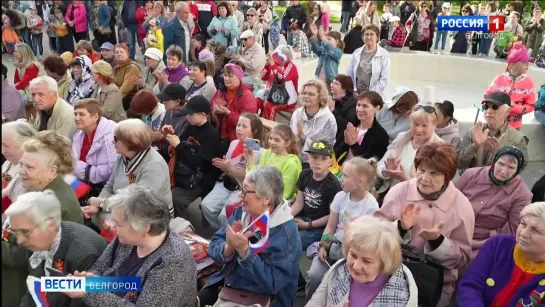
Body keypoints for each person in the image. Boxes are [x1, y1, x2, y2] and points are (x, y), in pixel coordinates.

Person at [376, 143, 475, 306]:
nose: (424, 178)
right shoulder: (399, 191)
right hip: (390, 272)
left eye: (434, 173)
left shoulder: (461, 206)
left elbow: (463, 258)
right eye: (421, 170)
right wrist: (400, 228)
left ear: (447, 176)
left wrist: (438, 242)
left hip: (433, 283)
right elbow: (375, 233)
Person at [65, 185, 197, 306]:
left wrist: (90, 292)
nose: (112, 226)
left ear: (144, 228)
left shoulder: (173, 262)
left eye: (118, 224)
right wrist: (90, 281)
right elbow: (100, 267)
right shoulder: (127, 239)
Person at [198, 166, 302, 307]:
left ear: (266, 199)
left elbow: (272, 284)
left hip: (262, 299)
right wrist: (228, 248)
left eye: (245, 190)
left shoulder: (285, 233)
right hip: (229, 284)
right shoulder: (242, 211)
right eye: (241, 189)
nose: (240, 195)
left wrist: (245, 252)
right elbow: (214, 244)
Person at [4, 190, 106, 307]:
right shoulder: (35, 240)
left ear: (51, 225)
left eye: (25, 232)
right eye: (16, 232)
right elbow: (34, 291)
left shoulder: (84, 254)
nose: (19, 241)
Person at [304, 156, 380, 298]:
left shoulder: (371, 207)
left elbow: (364, 243)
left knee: (339, 286)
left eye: (345, 175)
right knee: (314, 276)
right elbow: (330, 226)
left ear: (360, 181)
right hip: (332, 247)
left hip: (351, 255)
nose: (340, 178)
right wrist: (323, 246)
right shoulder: (340, 196)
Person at [306, 215, 418, 306]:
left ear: (384, 263)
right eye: (353, 255)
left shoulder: (402, 301)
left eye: (366, 261)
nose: (355, 266)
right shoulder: (338, 270)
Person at [82, 119, 173, 228]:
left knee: (110, 224)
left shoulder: (153, 166)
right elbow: (109, 186)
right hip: (122, 207)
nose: (112, 141)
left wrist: (102, 204)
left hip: (149, 217)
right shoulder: (124, 156)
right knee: (94, 215)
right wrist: (98, 206)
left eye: (115, 139)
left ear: (131, 143)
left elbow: (139, 203)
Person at [457, 202, 545, 306]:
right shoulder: (498, 245)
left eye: (535, 230)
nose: (523, 233)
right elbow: (470, 285)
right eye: (523, 224)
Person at [456, 146, 532, 258]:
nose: (504, 171)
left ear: (518, 170)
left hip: (486, 244)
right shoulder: (470, 175)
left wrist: (481, 243)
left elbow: (513, 230)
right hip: (455, 232)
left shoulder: (522, 194)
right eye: (501, 164)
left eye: (511, 167)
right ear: (494, 161)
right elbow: (450, 202)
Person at [201, 113, 264, 229]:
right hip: (227, 183)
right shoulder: (233, 143)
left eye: (244, 126)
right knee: (206, 206)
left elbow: (249, 176)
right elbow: (229, 167)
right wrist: (223, 165)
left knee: (225, 215)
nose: (239, 128)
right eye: (238, 125)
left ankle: (226, 236)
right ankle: (221, 232)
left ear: (254, 131)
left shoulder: (259, 152)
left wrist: (228, 168)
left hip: (241, 188)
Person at [163, 96, 220, 217]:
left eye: (191, 114)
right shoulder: (190, 126)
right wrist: (169, 135)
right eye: (187, 114)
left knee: (175, 198)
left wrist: (178, 146)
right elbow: (178, 146)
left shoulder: (212, 134)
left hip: (200, 178)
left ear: (203, 114)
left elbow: (198, 164)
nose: (187, 117)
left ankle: (183, 224)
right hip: (183, 172)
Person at [376, 102, 444, 196]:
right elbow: (380, 165)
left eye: (424, 126)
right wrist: (387, 172)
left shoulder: (440, 147)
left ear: (434, 125)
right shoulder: (401, 138)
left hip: (415, 199)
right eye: (415, 124)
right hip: (390, 194)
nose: (419, 129)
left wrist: (403, 177)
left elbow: (435, 185)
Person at [458, 92, 529, 172]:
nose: (489, 111)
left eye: (495, 107)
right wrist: (474, 146)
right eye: (486, 106)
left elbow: (517, 170)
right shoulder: (473, 132)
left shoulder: (518, 139)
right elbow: (459, 164)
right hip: (470, 181)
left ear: (507, 112)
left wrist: (497, 154)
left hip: (497, 184)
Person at [291, 140, 342, 251]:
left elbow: (331, 216)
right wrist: (286, 217)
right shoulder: (305, 174)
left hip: (319, 226)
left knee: (293, 242)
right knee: (280, 232)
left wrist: (307, 225)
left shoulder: (333, 185)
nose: (318, 162)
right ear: (308, 158)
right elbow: (299, 203)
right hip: (302, 217)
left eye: (323, 159)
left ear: (330, 162)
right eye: (314, 157)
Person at [72, 99, 117, 200]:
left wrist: (75, 166)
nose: (76, 118)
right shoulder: (78, 135)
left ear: (95, 117)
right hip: (84, 184)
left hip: (104, 190)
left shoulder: (109, 136)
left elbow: (105, 174)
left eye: (81, 114)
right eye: (75, 114)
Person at [210, 63, 258, 154]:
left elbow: (249, 122)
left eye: (231, 76)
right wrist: (214, 110)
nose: (226, 78)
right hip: (218, 132)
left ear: (239, 77)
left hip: (235, 138)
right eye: (225, 75)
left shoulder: (248, 97)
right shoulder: (221, 91)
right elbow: (211, 105)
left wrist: (228, 113)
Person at [246, 124, 302, 201]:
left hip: (275, 203)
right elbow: (256, 178)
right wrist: (250, 158)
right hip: (260, 197)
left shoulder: (290, 163)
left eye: (277, 140)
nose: (272, 142)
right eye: (270, 138)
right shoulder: (267, 153)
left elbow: (284, 193)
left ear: (287, 143)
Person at [484, 50, 536, 130]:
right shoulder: (499, 79)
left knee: (510, 142)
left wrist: (513, 109)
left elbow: (531, 106)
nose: (527, 66)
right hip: (494, 124)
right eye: (524, 63)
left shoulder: (529, 83)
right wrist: (496, 107)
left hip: (514, 126)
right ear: (512, 65)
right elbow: (486, 97)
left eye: (528, 63)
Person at [290, 79, 337, 165]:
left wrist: (304, 138)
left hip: (315, 164)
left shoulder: (329, 119)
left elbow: (326, 149)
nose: (306, 96)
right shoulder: (297, 113)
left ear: (320, 97)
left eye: (311, 94)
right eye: (304, 93)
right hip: (293, 159)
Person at [335, 91, 389, 163]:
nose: (360, 109)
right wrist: (346, 143)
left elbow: (369, 164)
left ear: (377, 108)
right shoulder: (351, 124)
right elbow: (337, 152)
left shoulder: (381, 135)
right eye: (358, 105)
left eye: (365, 106)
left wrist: (353, 144)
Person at [1, 121, 37, 211]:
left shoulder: (29, 173)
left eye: (6, 146)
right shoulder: (8, 163)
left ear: (25, 144)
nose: (2, 151)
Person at [346, 24, 390, 96]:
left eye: (371, 34)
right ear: (363, 37)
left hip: (373, 95)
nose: (368, 37)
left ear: (377, 37)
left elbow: (384, 78)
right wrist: (354, 91)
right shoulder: (356, 52)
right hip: (356, 94)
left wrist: (370, 95)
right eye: (366, 34)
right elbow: (349, 73)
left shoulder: (384, 54)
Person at [258, 46, 299, 120]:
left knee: (269, 106)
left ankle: (270, 127)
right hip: (272, 93)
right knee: (258, 99)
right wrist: (267, 66)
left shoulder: (291, 67)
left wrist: (273, 65)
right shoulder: (275, 65)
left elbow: (281, 79)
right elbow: (262, 77)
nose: (276, 58)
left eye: (278, 56)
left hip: (286, 98)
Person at [112, 43, 141, 111]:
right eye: (116, 52)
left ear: (127, 54)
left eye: (121, 52)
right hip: (119, 97)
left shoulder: (132, 68)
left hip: (130, 100)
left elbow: (125, 90)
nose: (119, 54)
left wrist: (111, 100)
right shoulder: (116, 68)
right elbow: (111, 83)